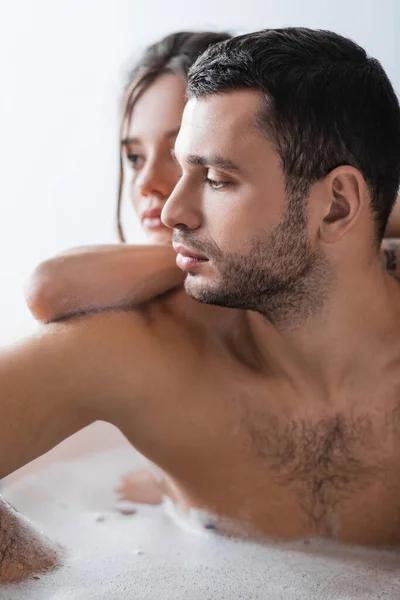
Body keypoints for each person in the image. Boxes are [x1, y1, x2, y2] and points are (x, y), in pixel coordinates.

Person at [2, 27, 400, 583]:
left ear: (337, 205)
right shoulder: (148, 353)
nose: (169, 211)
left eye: (215, 178)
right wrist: (57, 573)